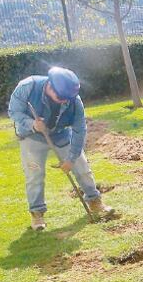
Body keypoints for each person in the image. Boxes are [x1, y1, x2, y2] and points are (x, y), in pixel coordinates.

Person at [7, 67, 115, 230]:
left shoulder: (73, 100)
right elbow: (14, 111)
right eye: (61, 98)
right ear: (50, 86)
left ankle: (94, 202)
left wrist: (71, 159)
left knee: (82, 168)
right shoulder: (28, 87)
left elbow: (79, 131)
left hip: (61, 135)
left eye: (68, 99)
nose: (65, 101)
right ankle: (37, 215)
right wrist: (33, 124)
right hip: (31, 137)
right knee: (34, 175)